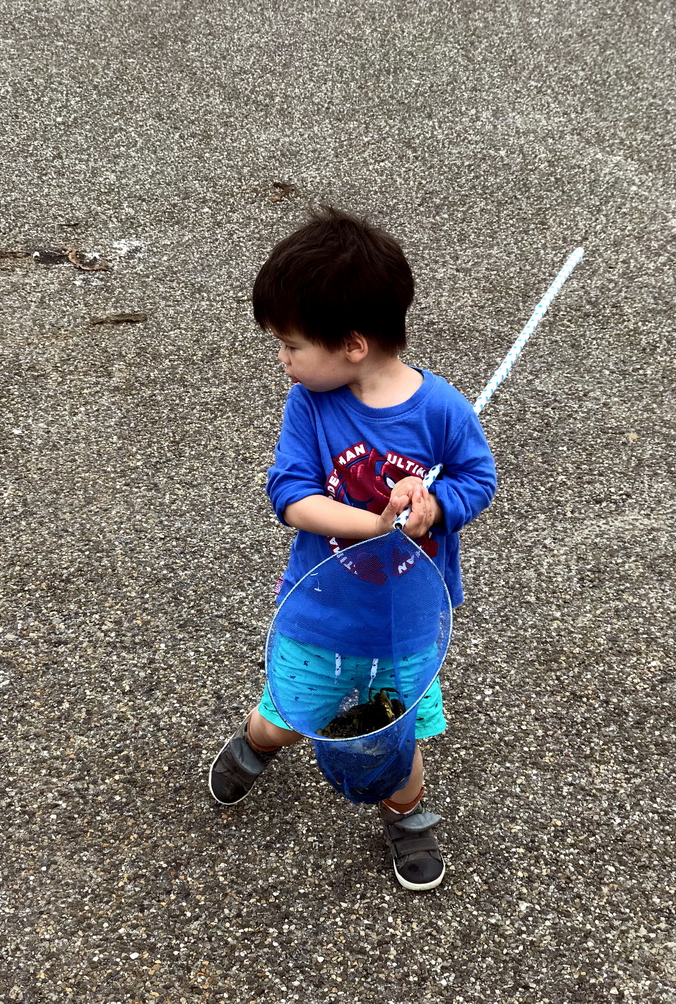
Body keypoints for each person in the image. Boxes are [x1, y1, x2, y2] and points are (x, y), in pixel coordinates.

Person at [209, 206, 496, 891]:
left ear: (354, 344)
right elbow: (290, 495)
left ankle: (408, 815)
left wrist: (435, 507)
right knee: (291, 714)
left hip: (407, 624)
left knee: (395, 737)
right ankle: (256, 743)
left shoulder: (444, 410)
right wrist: (375, 523)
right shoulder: (310, 404)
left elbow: (477, 480)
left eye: (290, 343)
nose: (282, 358)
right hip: (322, 614)